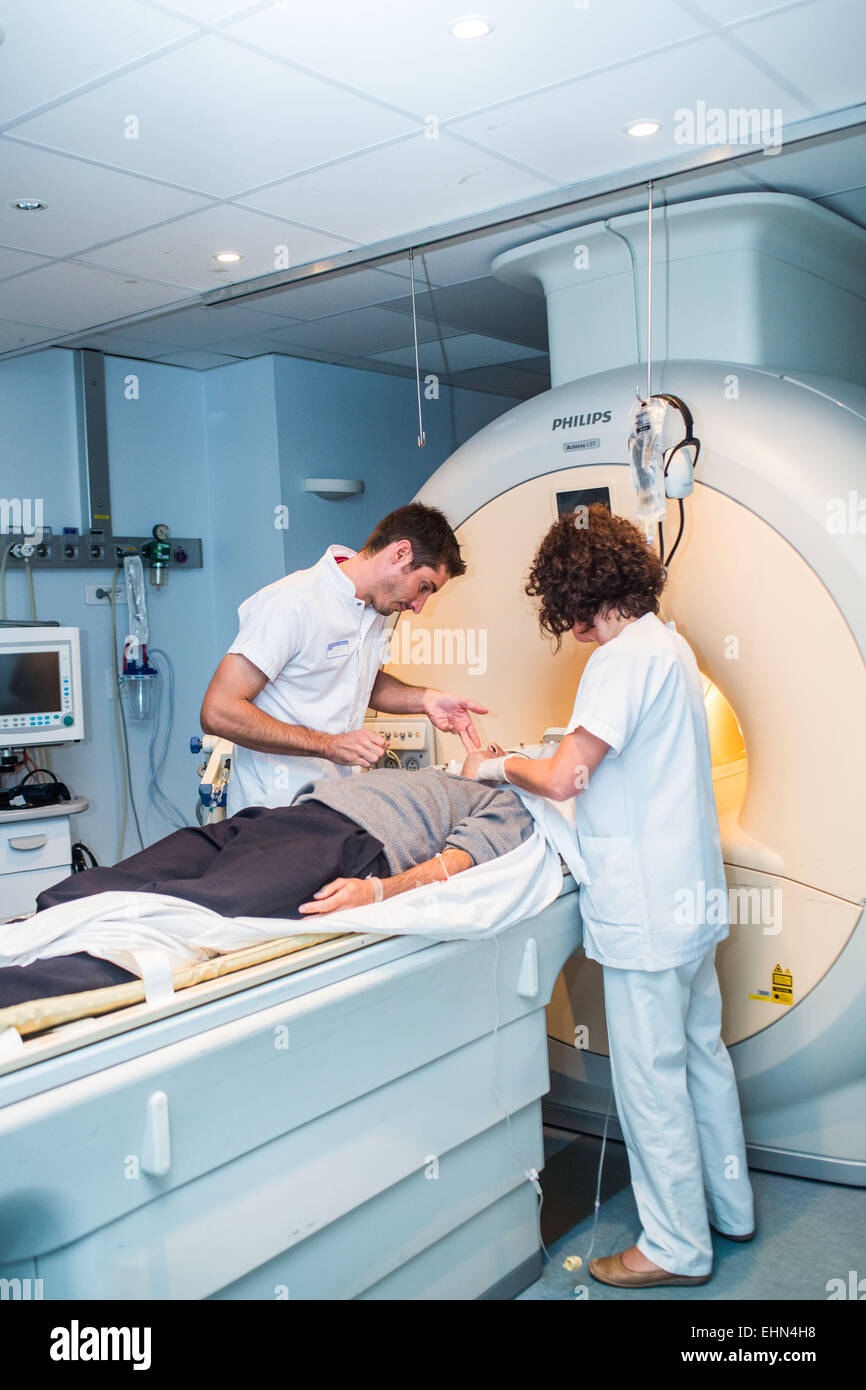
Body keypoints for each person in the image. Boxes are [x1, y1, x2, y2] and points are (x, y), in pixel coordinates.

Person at [463, 504, 754, 1289]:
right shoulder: (672, 645)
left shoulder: (621, 660)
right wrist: (538, 753)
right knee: (701, 1057)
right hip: (690, 900)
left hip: (648, 910)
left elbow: (564, 778)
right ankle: (729, 1209)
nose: (572, 630)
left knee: (651, 1078)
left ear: (581, 594)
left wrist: (494, 768)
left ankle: (674, 1248)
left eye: (566, 612)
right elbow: (613, 756)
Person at [0, 748, 527, 1008]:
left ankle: (23, 988)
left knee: (187, 917)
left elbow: (457, 861)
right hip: (276, 818)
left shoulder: (511, 803)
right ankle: (21, 933)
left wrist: (380, 891)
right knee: (114, 879)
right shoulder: (432, 775)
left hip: (341, 845)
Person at [200, 503, 487, 815]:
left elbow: (362, 683)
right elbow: (218, 711)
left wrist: (428, 699)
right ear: (401, 553)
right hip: (275, 809)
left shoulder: (375, 609)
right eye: (423, 587)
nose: (419, 606)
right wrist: (330, 745)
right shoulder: (293, 603)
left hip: (335, 803)